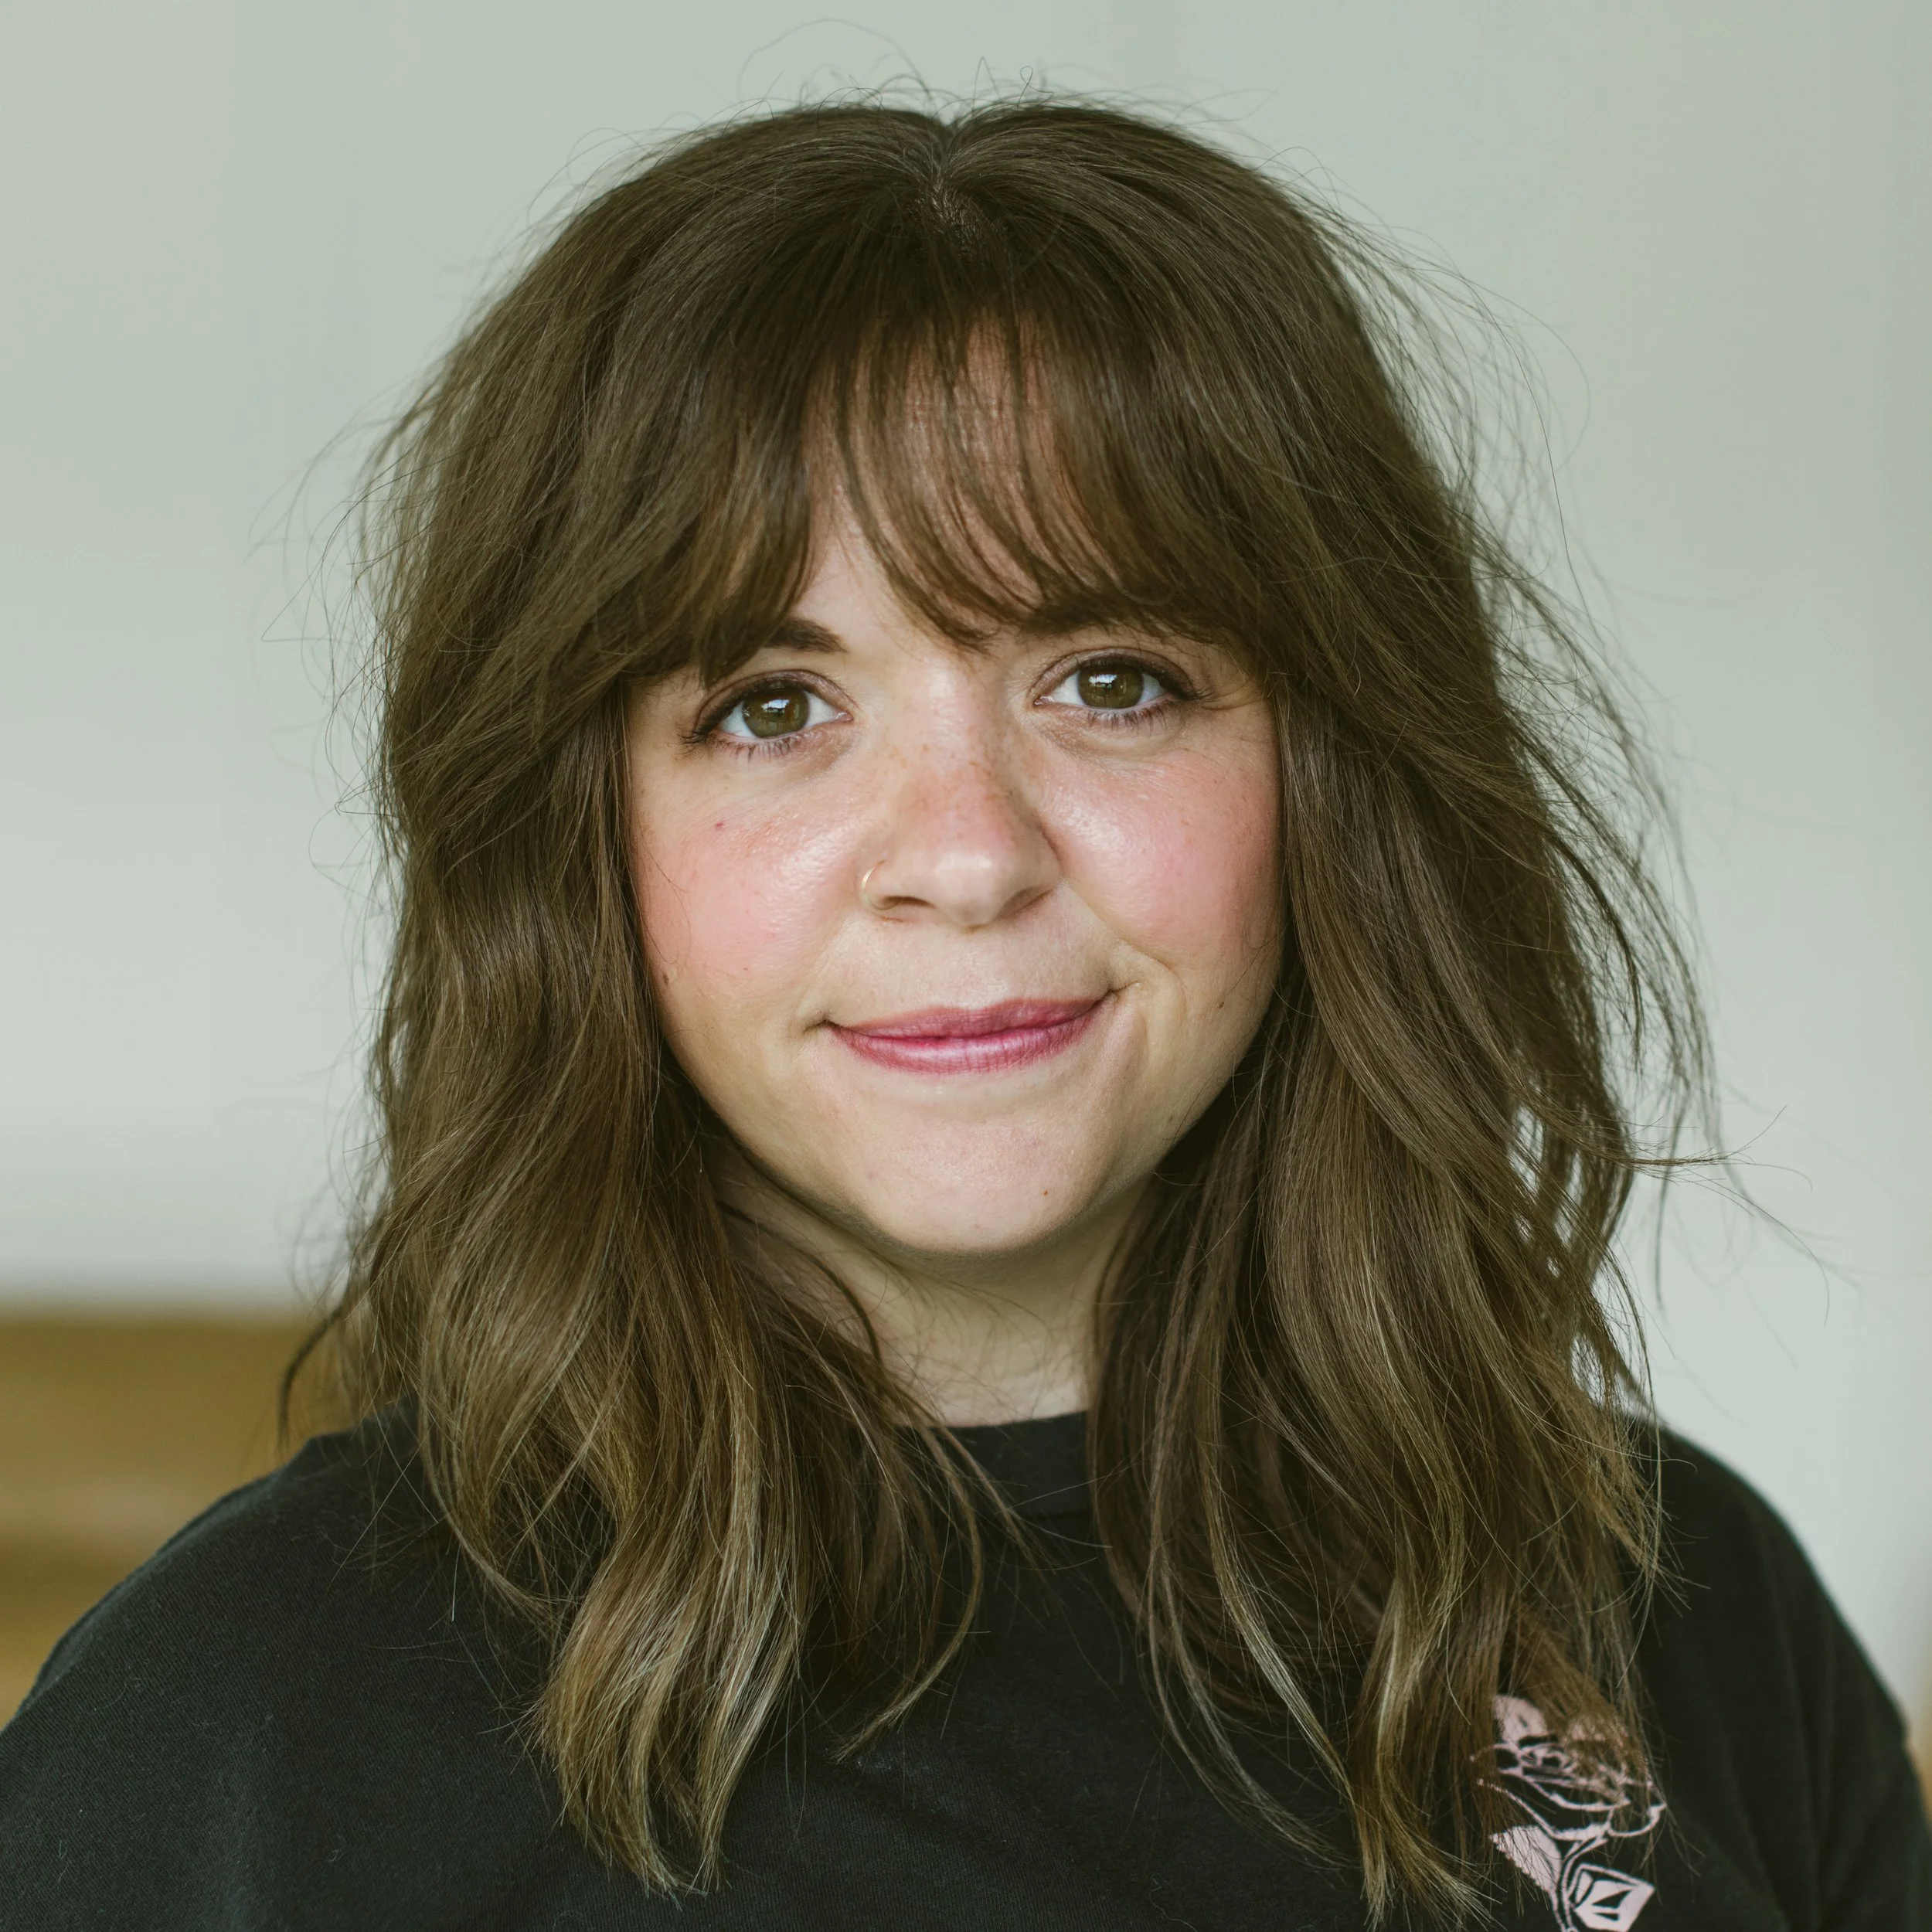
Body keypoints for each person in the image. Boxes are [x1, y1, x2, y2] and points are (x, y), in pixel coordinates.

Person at [2, 96, 1926, 1932]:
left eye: (1111, 678)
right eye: (772, 702)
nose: (966, 856)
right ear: (581, 839)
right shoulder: (236, 1731)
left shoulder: (1685, 1602)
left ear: (1326, 769)